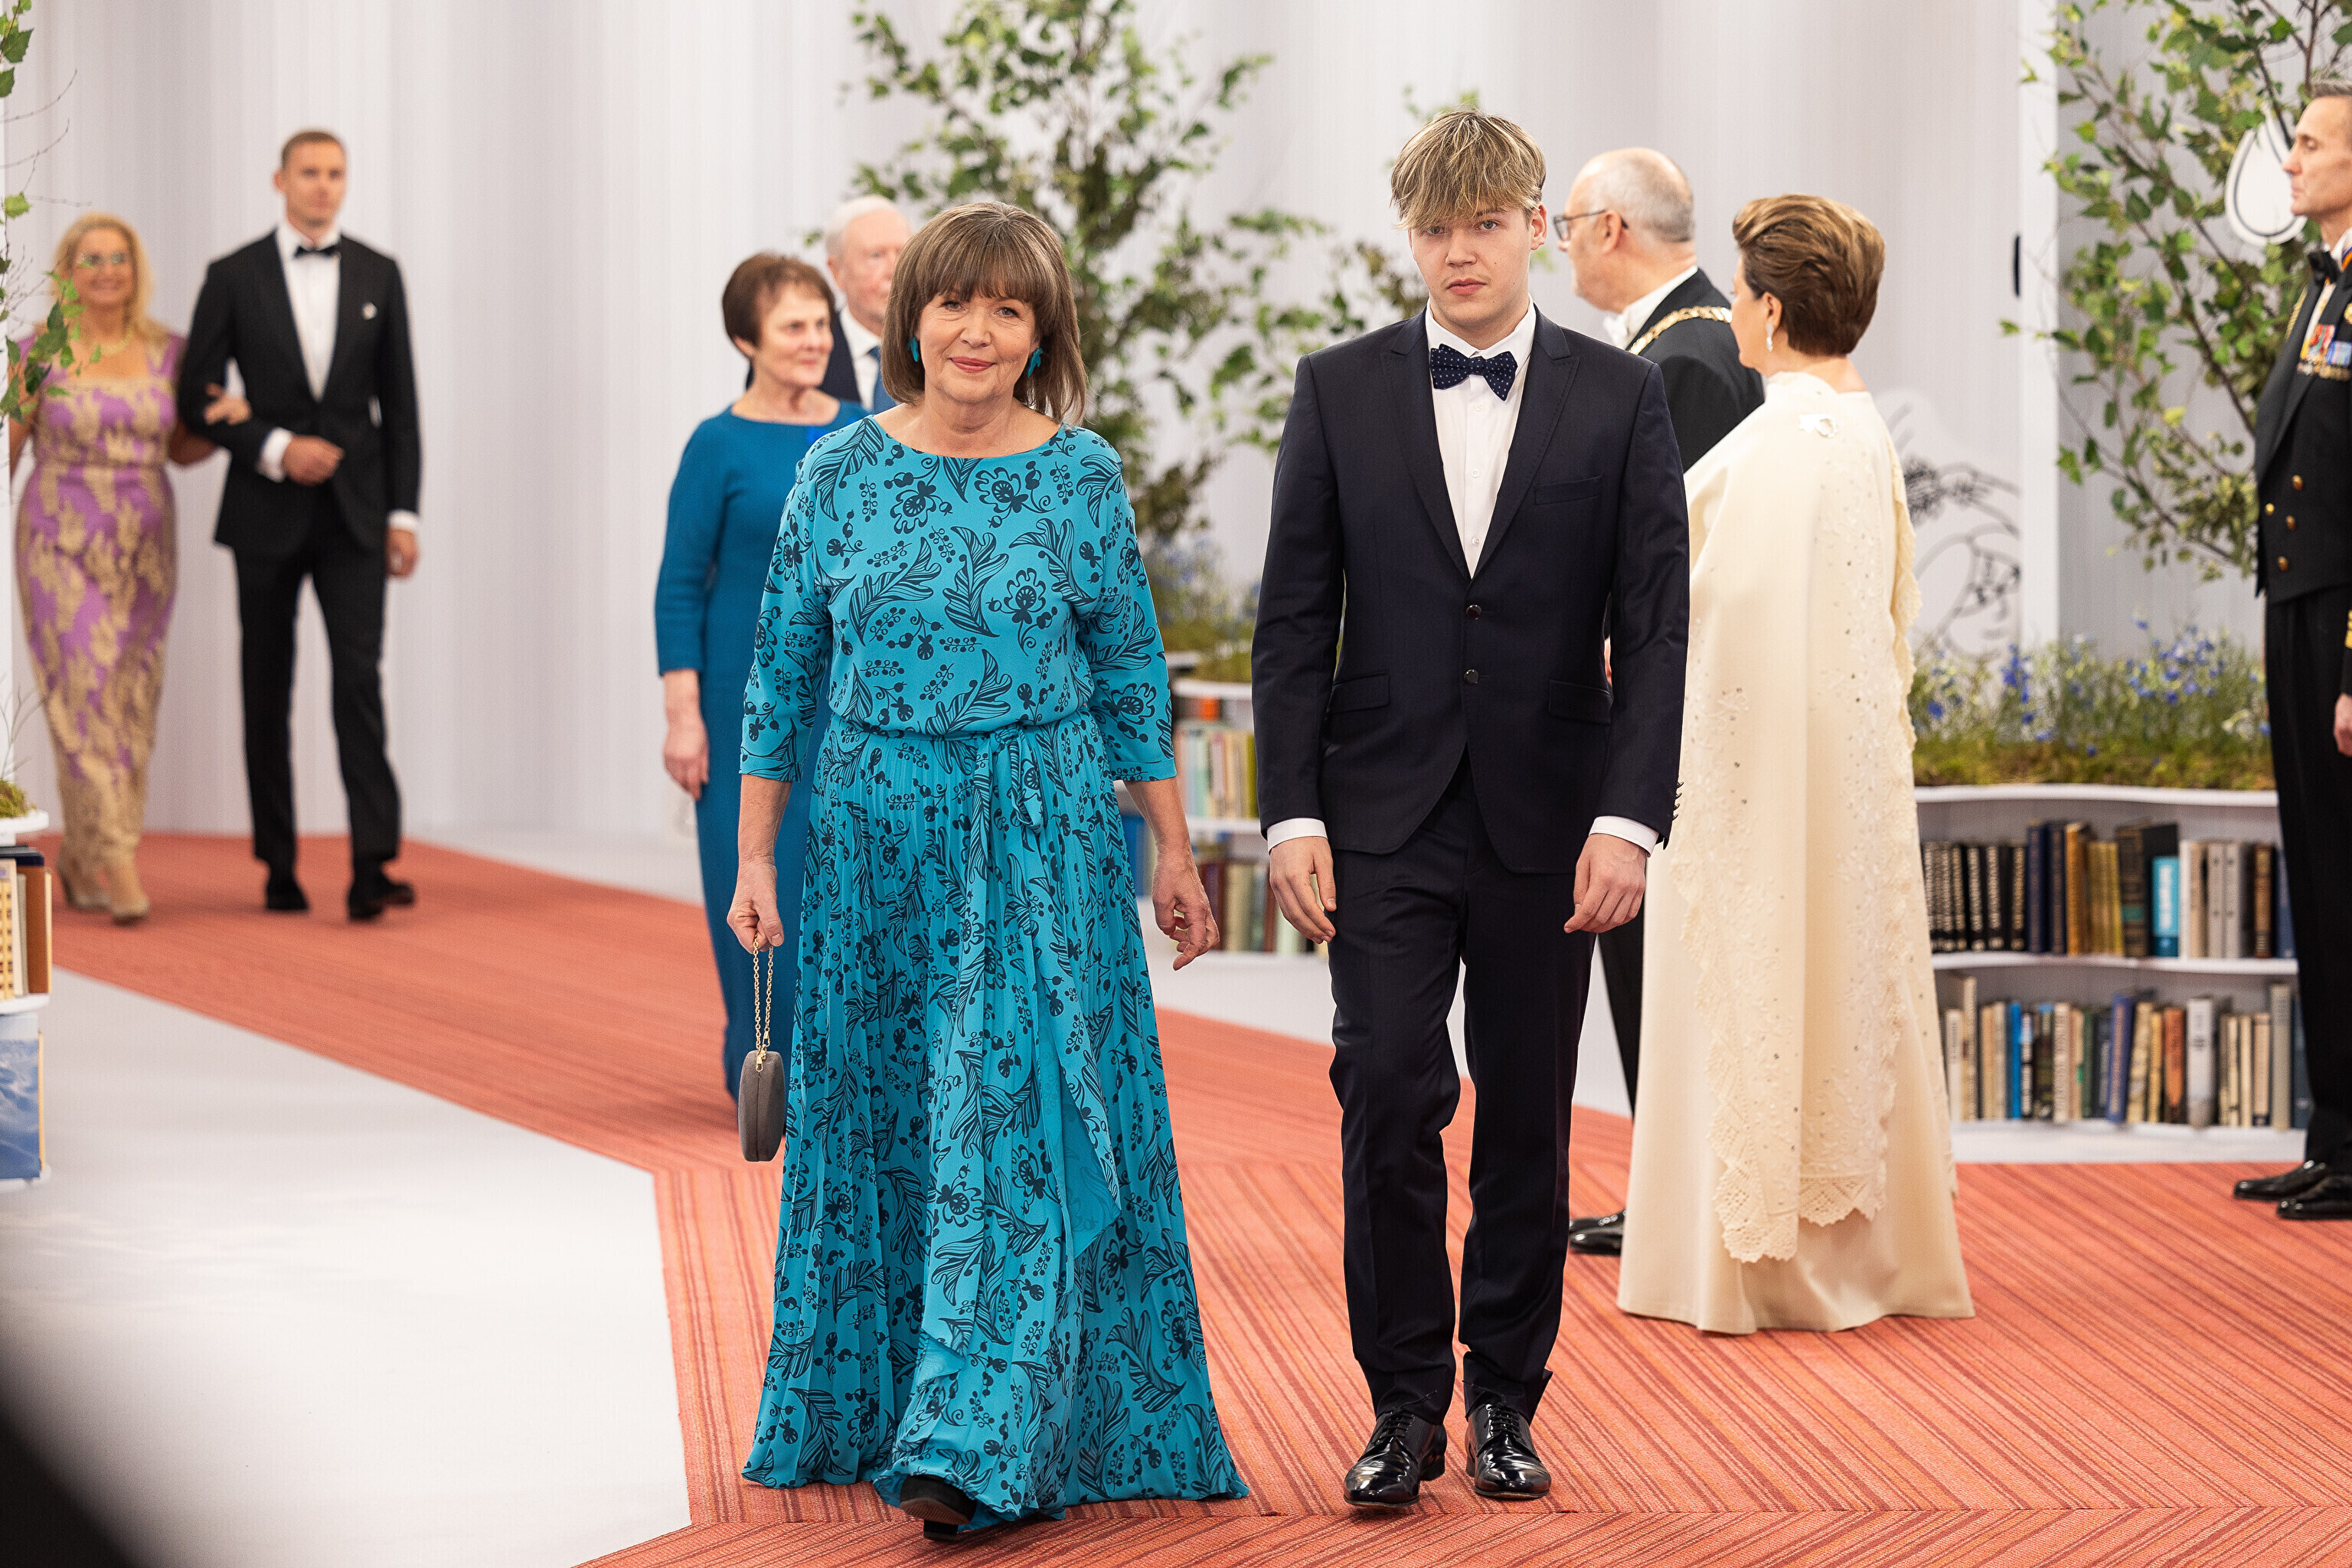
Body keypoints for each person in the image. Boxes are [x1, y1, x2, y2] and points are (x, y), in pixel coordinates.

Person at [730, 200, 1244, 1538]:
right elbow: (781, 677)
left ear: (1040, 334)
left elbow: (1130, 674)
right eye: (955, 303)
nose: (977, 330)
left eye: (1009, 309)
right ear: (911, 322)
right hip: (873, 842)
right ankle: (895, 1403)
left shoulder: (1080, 476)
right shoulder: (837, 474)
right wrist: (754, 858)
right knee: (897, 1123)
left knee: (1012, 1120)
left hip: (1040, 842)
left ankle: (973, 1439)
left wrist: (1174, 849)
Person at [1253, 110, 1688, 1508]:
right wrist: (1287, 814)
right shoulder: (1336, 388)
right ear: (1410, 236)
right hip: (1378, 812)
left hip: (1551, 822)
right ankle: (1401, 1404)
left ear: (1535, 229)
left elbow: (1656, 628)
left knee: (1527, 1127)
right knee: (1386, 1086)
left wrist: (1630, 820)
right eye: (1434, 228)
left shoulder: (1623, 398)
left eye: (1484, 224)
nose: (1458, 250)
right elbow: (1292, 620)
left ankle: (1506, 1395)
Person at [1615, 194, 1974, 1335]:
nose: (1730, 315)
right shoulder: (1860, 430)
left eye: (1738, 295)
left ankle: (1753, 1263)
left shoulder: (1778, 447)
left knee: (1758, 986)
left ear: (1769, 310)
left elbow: (1718, 622)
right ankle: (1862, 1246)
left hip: (1755, 783)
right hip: (1849, 775)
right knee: (1851, 988)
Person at [1554, 147, 1766, 1259]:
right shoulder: (1684, 343)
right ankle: (1669, 1192)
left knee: (1662, 960)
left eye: (1565, 225)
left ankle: (1680, 1202)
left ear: (1612, 229)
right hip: (1657, 706)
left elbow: (1667, 563)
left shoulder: (1684, 359)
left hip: (1660, 717)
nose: (1561, 247)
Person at [178, 129, 422, 922]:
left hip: (357, 515)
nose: (323, 185)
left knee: (359, 683)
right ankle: (277, 864)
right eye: (309, 172)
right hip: (264, 510)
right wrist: (278, 447)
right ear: (279, 180)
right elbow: (195, 396)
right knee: (266, 685)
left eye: (335, 173)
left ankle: (371, 862)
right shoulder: (232, 274)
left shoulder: (380, 271)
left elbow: (401, 407)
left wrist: (404, 514)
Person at [656, 254, 860, 1096]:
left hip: (851, 703)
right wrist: (684, 716)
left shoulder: (866, 430)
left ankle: (846, 1079)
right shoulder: (718, 444)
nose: (814, 341)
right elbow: (679, 584)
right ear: (747, 340)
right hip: (746, 706)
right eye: (792, 327)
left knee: (845, 893)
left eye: (821, 324)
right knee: (753, 885)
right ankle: (763, 1074)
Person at [11, 214, 249, 923]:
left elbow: (181, 449)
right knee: (80, 693)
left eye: (119, 258)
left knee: (130, 697)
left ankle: (81, 854)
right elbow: (8, 448)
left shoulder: (171, 351)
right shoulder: (37, 351)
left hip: (144, 545)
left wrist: (227, 423)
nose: (107, 270)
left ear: (135, 269)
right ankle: (118, 858)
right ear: (67, 271)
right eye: (91, 259)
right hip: (57, 538)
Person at [2237, 82, 2352, 1220]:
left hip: (2343, 624)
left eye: (2311, 145)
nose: (2290, 161)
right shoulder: (2324, 284)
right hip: (2297, 602)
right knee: (2319, 874)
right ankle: (2336, 1132)